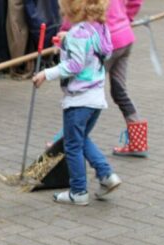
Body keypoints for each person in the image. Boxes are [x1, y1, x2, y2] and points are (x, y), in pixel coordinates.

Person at [32, 0, 122, 205]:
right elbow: (96, 52)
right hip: (96, 98)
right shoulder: (100, 28)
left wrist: (47, 73)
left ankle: (79, 191)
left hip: (78, 100)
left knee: (72, 145)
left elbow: (74, 65)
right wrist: (66, 41)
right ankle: (107, 175)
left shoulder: (77, 33)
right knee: (80, 139)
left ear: (72, 9)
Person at [60, 0, 146, 157]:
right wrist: (127, 18)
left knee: (82, 89)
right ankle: (138, 142)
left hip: (103, 40)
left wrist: (65, 33)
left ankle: (64, 139)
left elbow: (75, 8)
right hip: (124, 36)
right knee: (119, 91)